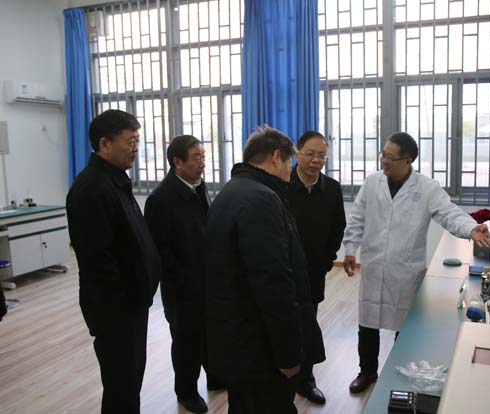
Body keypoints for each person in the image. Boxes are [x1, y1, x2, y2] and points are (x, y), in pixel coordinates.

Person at [342, 132, 490, 393]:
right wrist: (349, 249)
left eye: (391, 157)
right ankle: (366, 372)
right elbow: (357, 217)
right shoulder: (372, 182)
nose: (384, 161)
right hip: (374, 265)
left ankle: (400, 373)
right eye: (383, 155)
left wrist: (471, 228)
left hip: (405, 270)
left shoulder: (426, 188)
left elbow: (449, 214)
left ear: (408, 160)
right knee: (367, 323)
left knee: (405, 327)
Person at [203, 125, 325, 414]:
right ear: (276, 157)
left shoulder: (231, 191)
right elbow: (273, 285)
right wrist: (288, 354)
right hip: (259, 344)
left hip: (236, 336)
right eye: (289, 161)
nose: (290, 170)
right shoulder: (261, 199)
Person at [66, 109, 161, 414]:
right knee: (121, 385)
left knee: (130, 382)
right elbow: (98, 262)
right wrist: (127, 301)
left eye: (137, 141)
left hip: (132, 304)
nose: (135, 148)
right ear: (105, 144)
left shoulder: (115, 180)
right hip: (116, 310)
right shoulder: (91, 189)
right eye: (130, 141)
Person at [144, 135, 219, 414]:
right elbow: (159, 252)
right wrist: (185, 278)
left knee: (209, 334)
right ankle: (186, 392)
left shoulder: (198, 186)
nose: (202, 163)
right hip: (181, 287)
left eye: (203, 156)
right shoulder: (160, 199)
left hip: (206, 280)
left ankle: (215, 377)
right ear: (177, 162)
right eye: (196, 157)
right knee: (186, 341)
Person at [287, 130, 346, 404]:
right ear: (296, 154)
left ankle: (306, 380)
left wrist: (326, 259)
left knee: (308, 323)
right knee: (282, 322)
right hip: (283, 270)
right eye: (310, 154)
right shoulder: (282, 184)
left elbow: (338, 227)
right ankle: (280, 378)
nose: (315, 160)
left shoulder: (331, 188)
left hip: (313, 271)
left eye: (321, 155)